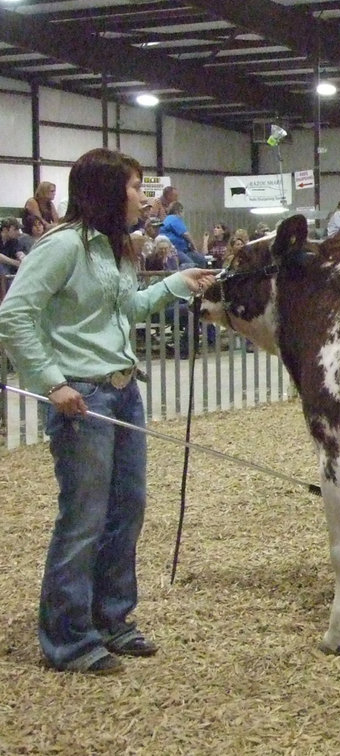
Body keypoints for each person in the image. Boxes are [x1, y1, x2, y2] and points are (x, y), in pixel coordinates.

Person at [0, 147, 215, 675]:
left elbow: (128, 310)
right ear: (107, 190)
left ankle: (112, 617)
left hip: (123, 390)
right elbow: (15, 314)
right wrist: (52, 384)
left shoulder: (118, 250)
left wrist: (174, 285)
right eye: (137, 187)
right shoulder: (61, 247)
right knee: (84, 517)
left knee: (128, 508)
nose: (143, 197)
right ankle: (68, 638)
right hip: (83, 398)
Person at [160, 201, 204, 268]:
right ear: (179, 211)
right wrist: (194, 248)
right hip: (175, 250)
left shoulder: (167, 219)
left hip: (183, 250)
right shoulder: (174, 218)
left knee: (200, 259)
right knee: (190, 265)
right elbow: (186, 234)